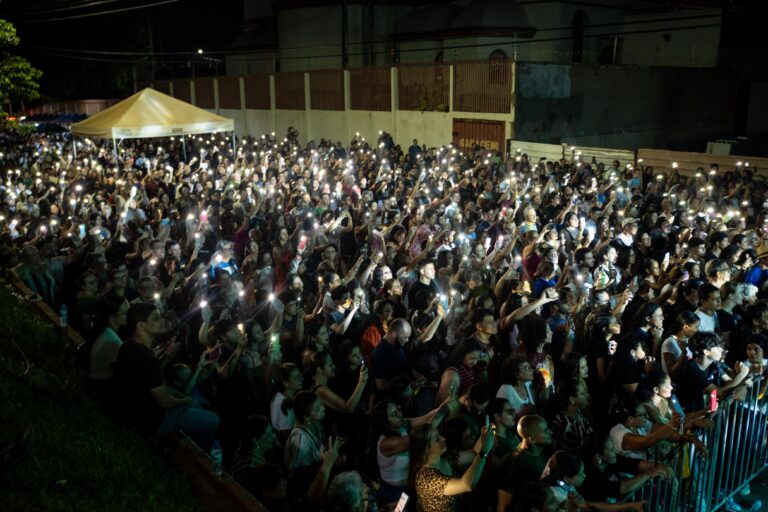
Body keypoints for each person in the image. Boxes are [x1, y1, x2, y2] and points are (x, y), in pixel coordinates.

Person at [113, 303, 220, 449]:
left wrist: (166, 359)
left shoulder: (128, 346)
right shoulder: (145, 358)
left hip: (132, 410)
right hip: (150, 419)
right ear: (141, 326)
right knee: (213, 420)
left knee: (193, 402)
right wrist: (186, 401)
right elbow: (165, 402)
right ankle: (191, 455)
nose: (162, 320)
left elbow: (149, 379)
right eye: (156, 318)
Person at [408, 423, 494, 512]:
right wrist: (485, 450)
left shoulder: (445, 458)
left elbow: (473, 454)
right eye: (437, 439)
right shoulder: (426, 478)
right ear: (426, 448)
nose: (443, 439)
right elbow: (467, 484)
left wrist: (483, 437)